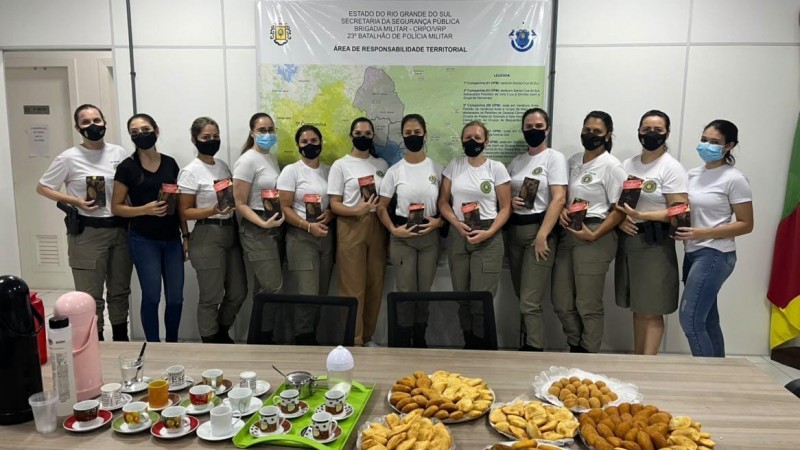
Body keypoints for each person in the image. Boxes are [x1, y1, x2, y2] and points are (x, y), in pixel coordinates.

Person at [36, 104, 133, 341]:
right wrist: (75, 200)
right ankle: (95, 342)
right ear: (78, 127)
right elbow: (43, 187)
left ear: (105, 122)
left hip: (119, 230)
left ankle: (121, 339)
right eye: (86, 122)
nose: (93, 126)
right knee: (90, 296)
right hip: (87, 233)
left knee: (120, 292)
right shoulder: (69, 157)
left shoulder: (118, 153)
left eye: (97, 120)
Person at [675, 120, 753, 357]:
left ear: (729, 146)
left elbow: (746, 224)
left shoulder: (734, 178)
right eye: (704, 139)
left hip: (716, 254)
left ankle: (705, 381)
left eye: (715, 142)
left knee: (689, 320)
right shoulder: (691, 175)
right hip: (693, 252)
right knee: (707, 320)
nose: (706, 145)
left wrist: (703, 232)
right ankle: (721, 376)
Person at [552, 110, 627, 353]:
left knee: (587, 303)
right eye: (587, 130)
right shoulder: (573, 160)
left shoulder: (612, 166)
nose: (590, 135)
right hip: (569, 230)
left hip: (596, 233)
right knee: (561, 300)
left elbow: (620, 209)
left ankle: (589, 355)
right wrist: (562, 209)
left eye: (597, 132)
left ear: (608, 136)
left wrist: (595, 234)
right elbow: (565, 195)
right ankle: (575, 344)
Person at [614, 110, 688, 355]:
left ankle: (648, 364)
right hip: (631, 241)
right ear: (638, 131)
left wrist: (643, 216)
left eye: (658, 130)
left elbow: (680, 211)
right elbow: (618, 201)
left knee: (652, 309)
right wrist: (622, 219)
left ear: (667, 133)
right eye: (646, 129)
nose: (651, 134)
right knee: (638, 307)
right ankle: (638, 360)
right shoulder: (628, 165)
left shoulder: (671, 167)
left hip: (655, 242)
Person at [110, 114, 187, 342]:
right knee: (152, 296)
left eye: (145, 129)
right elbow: (116, 207)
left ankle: (172, 343)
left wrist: (186, 235)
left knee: (175, 298)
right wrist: (145, 209)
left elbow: (180, 204)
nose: (141, 134)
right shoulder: (127, 167)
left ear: (157, 130)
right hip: (143, 239)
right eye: (135, 132)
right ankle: (153, 345)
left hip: (172, 239)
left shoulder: (171, 163)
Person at [438, 120, 511, 349]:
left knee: (482, 299)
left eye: (477, 138)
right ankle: (468, 345)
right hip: (459, 233)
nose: (472, 141)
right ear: (461, 140)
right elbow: (443, 202)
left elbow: (506, 207)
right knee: (462, 298)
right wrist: (457, 225)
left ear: (486, 141)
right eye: (467, 137)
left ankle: (484, 347)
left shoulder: (496, 168)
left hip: (488, 236)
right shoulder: (454, 166)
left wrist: (488, 232)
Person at [177, 117, 248, 344]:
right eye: (206, 137)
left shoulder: (223, 166)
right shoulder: (190, 171)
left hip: (230, 232)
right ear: (194, 140)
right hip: (207, 234)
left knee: (238, 291)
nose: (212, 140)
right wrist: (212, 209)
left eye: (215, 136)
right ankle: (211, 341)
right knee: (211, 296)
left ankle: (220, 331)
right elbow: (185, 211)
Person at [377, 114, 444, 348]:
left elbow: (446, 205)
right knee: (405, 292)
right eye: (408, 133)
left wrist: (439, 222)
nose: (413, 137)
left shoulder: (437, 168)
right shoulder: (395, 171)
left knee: (424, 292)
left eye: (417, 132)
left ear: (424, 134)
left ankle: (420, 340)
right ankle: (403, 341)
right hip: (403, 238)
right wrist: (394, 231)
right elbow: (381, 207)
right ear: (402, 136)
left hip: (430, 237)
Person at [505, 108, 567, 351]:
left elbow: (559, 197)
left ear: (547, 129)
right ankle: (526, 345)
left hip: (539, 233)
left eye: (538, 126)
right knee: (522, 297)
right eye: (529, 126)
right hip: (515, 233)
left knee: (530, 301)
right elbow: (506, 195)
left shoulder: (554, 158)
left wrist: (543, 235)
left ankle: (534, 351)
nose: (533, 130)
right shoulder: (518, 161)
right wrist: (511, 202)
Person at [328, 117, 389, 347]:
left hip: (378, 226)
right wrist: (357, 209)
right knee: (352, 287)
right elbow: (334, 204)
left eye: (367, 133)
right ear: (351, 136)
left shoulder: (381, 165)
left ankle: (368, 336)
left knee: (374, 284)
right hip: (351, 225)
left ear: (373, 136)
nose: (362, 137)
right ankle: (353, 340)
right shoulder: (340, 165)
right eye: (358, 133)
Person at [276, 125, 335, 345]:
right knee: (306, 293)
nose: (310, 145)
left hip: (326, 236)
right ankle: (303, 339)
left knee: (321, 293)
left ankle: (313, 336)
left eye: (314, 140)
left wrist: (329, 213)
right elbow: (284, 207)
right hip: (301, 237)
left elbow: (335, 201)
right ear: (298, 146)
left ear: (321, 142)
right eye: (304, 142)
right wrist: (307, 227)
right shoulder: (291, 171)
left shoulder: (330, 170)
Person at [233, 113, 285, 343]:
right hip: (257, 227)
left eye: (271, 129)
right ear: (252, 132)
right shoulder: (247, 160)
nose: (267, 134)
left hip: (273, 225)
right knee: (273, 287)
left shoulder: (269, 158)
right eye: (262, 130)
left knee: (263, 288)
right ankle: (265, 339)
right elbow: (240, 203)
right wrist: (263, 223)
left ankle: (257, 339)